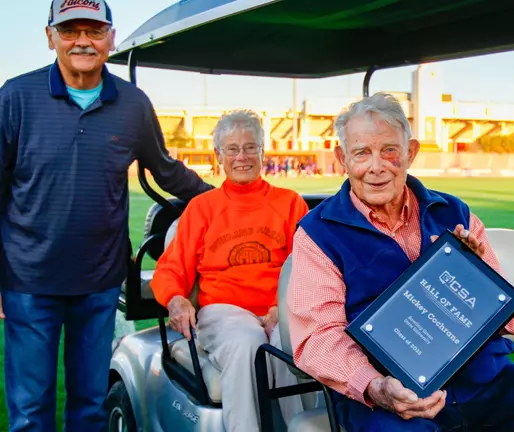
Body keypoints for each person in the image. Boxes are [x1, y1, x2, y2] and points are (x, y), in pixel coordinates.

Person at [287, 93, 514, 431]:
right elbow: (318, 338)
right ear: (342, 158)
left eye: (390, 151)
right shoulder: (317, 232)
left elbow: (503, 318)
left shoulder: (455, 213)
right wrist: (376, 388)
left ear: (410, 153)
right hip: (389, 397)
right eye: (362, 153)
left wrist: (476, 275)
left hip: (485, 382)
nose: (376, 166)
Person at [0, 1, 215, 431]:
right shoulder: (16, 96)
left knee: (90, 405)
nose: (82, 41)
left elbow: (165, 169)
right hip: (28, 281)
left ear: (111, 38)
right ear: (50, 37)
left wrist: (223, 198)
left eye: (95, 30)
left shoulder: (132, 103)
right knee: (29, 412)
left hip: (99, 279)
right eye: (69, 30)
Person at [151, 109, 308, 432]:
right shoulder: (202, 208)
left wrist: (283, 306)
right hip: (223, 311)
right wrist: (175, 299)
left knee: (290, 344)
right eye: (232, 149)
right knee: (246, 341)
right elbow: (171, 268)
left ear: (263, 152)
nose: (242, 157)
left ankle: (300, 426)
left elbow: (305, 268)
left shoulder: (290, 203)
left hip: (280, 308)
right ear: (218, 156)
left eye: (250, 147)